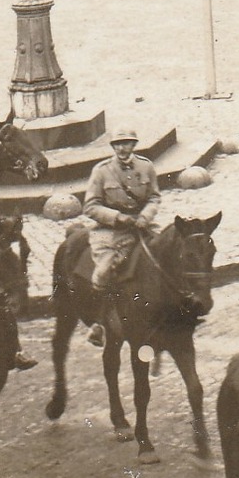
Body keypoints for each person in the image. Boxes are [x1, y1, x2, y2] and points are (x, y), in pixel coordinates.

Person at [82, 126, 160, 348]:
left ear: (134, 145)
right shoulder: (102, 171)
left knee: (170, 251)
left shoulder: (146, 166)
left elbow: (154, 197)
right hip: (111, 230)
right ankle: (99, 323)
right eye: (118, 144)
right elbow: (90, 206)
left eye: (127, 143)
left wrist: (145, 216)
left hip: (142, 224)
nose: (122, 148)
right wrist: (117, 217)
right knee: (104, 271)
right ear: (113, 147)